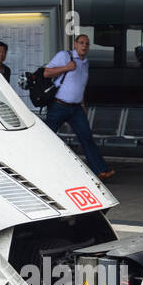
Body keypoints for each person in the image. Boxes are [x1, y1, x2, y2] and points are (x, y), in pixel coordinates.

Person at [42, 34, 115, 180]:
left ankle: (100, 170)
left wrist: (82, 104)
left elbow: (80, 85)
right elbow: (46, 73)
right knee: (46, 137)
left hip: (75, 108)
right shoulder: (64, 56)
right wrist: (66, 67)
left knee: (86, 137)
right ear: (75, 44)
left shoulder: (85, 62)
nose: (84, 46)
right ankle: (37, 167)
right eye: (81, 43)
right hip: (59, 105)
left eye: (87, 44)